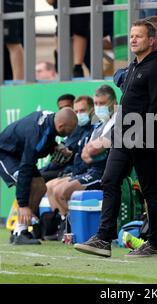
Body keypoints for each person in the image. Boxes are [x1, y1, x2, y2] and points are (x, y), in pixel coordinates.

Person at [74, 19, 157, 258]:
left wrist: (143, 137)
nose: (133, 40)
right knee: (109, 181)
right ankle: (103, 237)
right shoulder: (133, 66)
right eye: (131, 36)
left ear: (152, 40)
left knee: (150, 188)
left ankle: (155, 242)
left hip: (147, 135)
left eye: (138, 36)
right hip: (123, 136)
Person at [0, 108, 77, 245]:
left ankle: (22, 228)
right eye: (69, 130)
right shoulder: (37, 134)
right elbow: (25, 169)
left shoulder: (50, 119)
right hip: (2, 153)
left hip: (17, 154)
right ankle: (20, 231)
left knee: (40, 186)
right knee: (28, 183)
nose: (70, 134)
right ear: (61, 126)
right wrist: (23, 205)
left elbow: (47, 136)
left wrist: (54, 146)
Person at [48, 86, 118, 241]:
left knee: (64, 190)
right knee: (54, 188)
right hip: (92, 170)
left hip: (104, 172)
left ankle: (72, 228)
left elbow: (95, 150)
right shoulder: (99, 125)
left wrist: (93, 150)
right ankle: (67, 226)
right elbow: (87, 152)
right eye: (97, 103)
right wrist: (93, 150)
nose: (99, 107)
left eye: (102, 103)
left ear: (113, 103)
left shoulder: (117, 122)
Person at [45, 96, 96, 240]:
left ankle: (71, 225)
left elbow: (89, 159)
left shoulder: (95, 129)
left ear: (92, 110)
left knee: (60, 190)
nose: (80, 114)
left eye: (83, 110)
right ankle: (63, 222)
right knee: (49, 187)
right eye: (77, 111)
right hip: (77, 171)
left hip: (93, 172)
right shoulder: (79, 130)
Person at [114, 15, 157, 95]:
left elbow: (129, 81)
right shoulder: (147, 56)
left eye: (151, 32)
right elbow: (121, 76)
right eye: (132, 36)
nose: (148, 36)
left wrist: (128, 78)